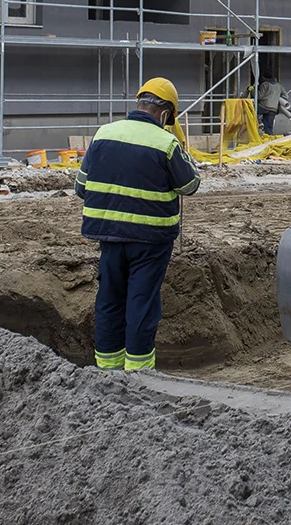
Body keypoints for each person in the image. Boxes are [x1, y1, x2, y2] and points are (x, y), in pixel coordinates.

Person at [76, 77, 200, 372]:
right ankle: (140, 374)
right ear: (167, 114)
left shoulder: (103, 134)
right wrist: (181, 146)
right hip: (150, 240)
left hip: (108, 235)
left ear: (139, 104)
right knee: (141, 304)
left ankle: (107, 369)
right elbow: (190, 185)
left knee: (109, 300)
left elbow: (82, 187)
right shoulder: (166, 142)